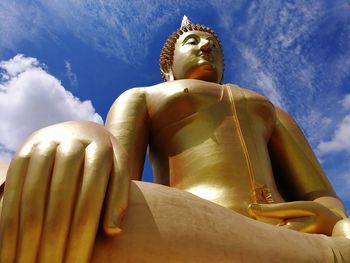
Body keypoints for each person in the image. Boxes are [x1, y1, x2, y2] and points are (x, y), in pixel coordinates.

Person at [0, 16, 349, 263]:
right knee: (48, 200)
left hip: (289, 228)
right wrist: (79, 135)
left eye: (213, 45)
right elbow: (117, 180)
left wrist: (328, 216)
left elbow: (324, 197)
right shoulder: (143, 96)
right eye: (192, 41)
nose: (206, 46)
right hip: (192, 222)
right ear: (168, 67)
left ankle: (324, 253)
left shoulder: (267, 108)